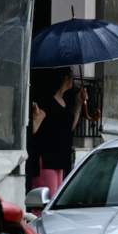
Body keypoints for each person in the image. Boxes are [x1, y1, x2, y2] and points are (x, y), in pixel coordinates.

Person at [30, 67, 87, 198]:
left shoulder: (63, 102)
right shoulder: (47, 103)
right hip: (47, 160)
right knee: (44, 204)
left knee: (53, 201)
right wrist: (34, 117)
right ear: (65, 78)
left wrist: (78, 104)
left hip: (59, 160)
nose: (73, 79)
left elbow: (68, 129)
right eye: (72, 75)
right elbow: (34, 128)